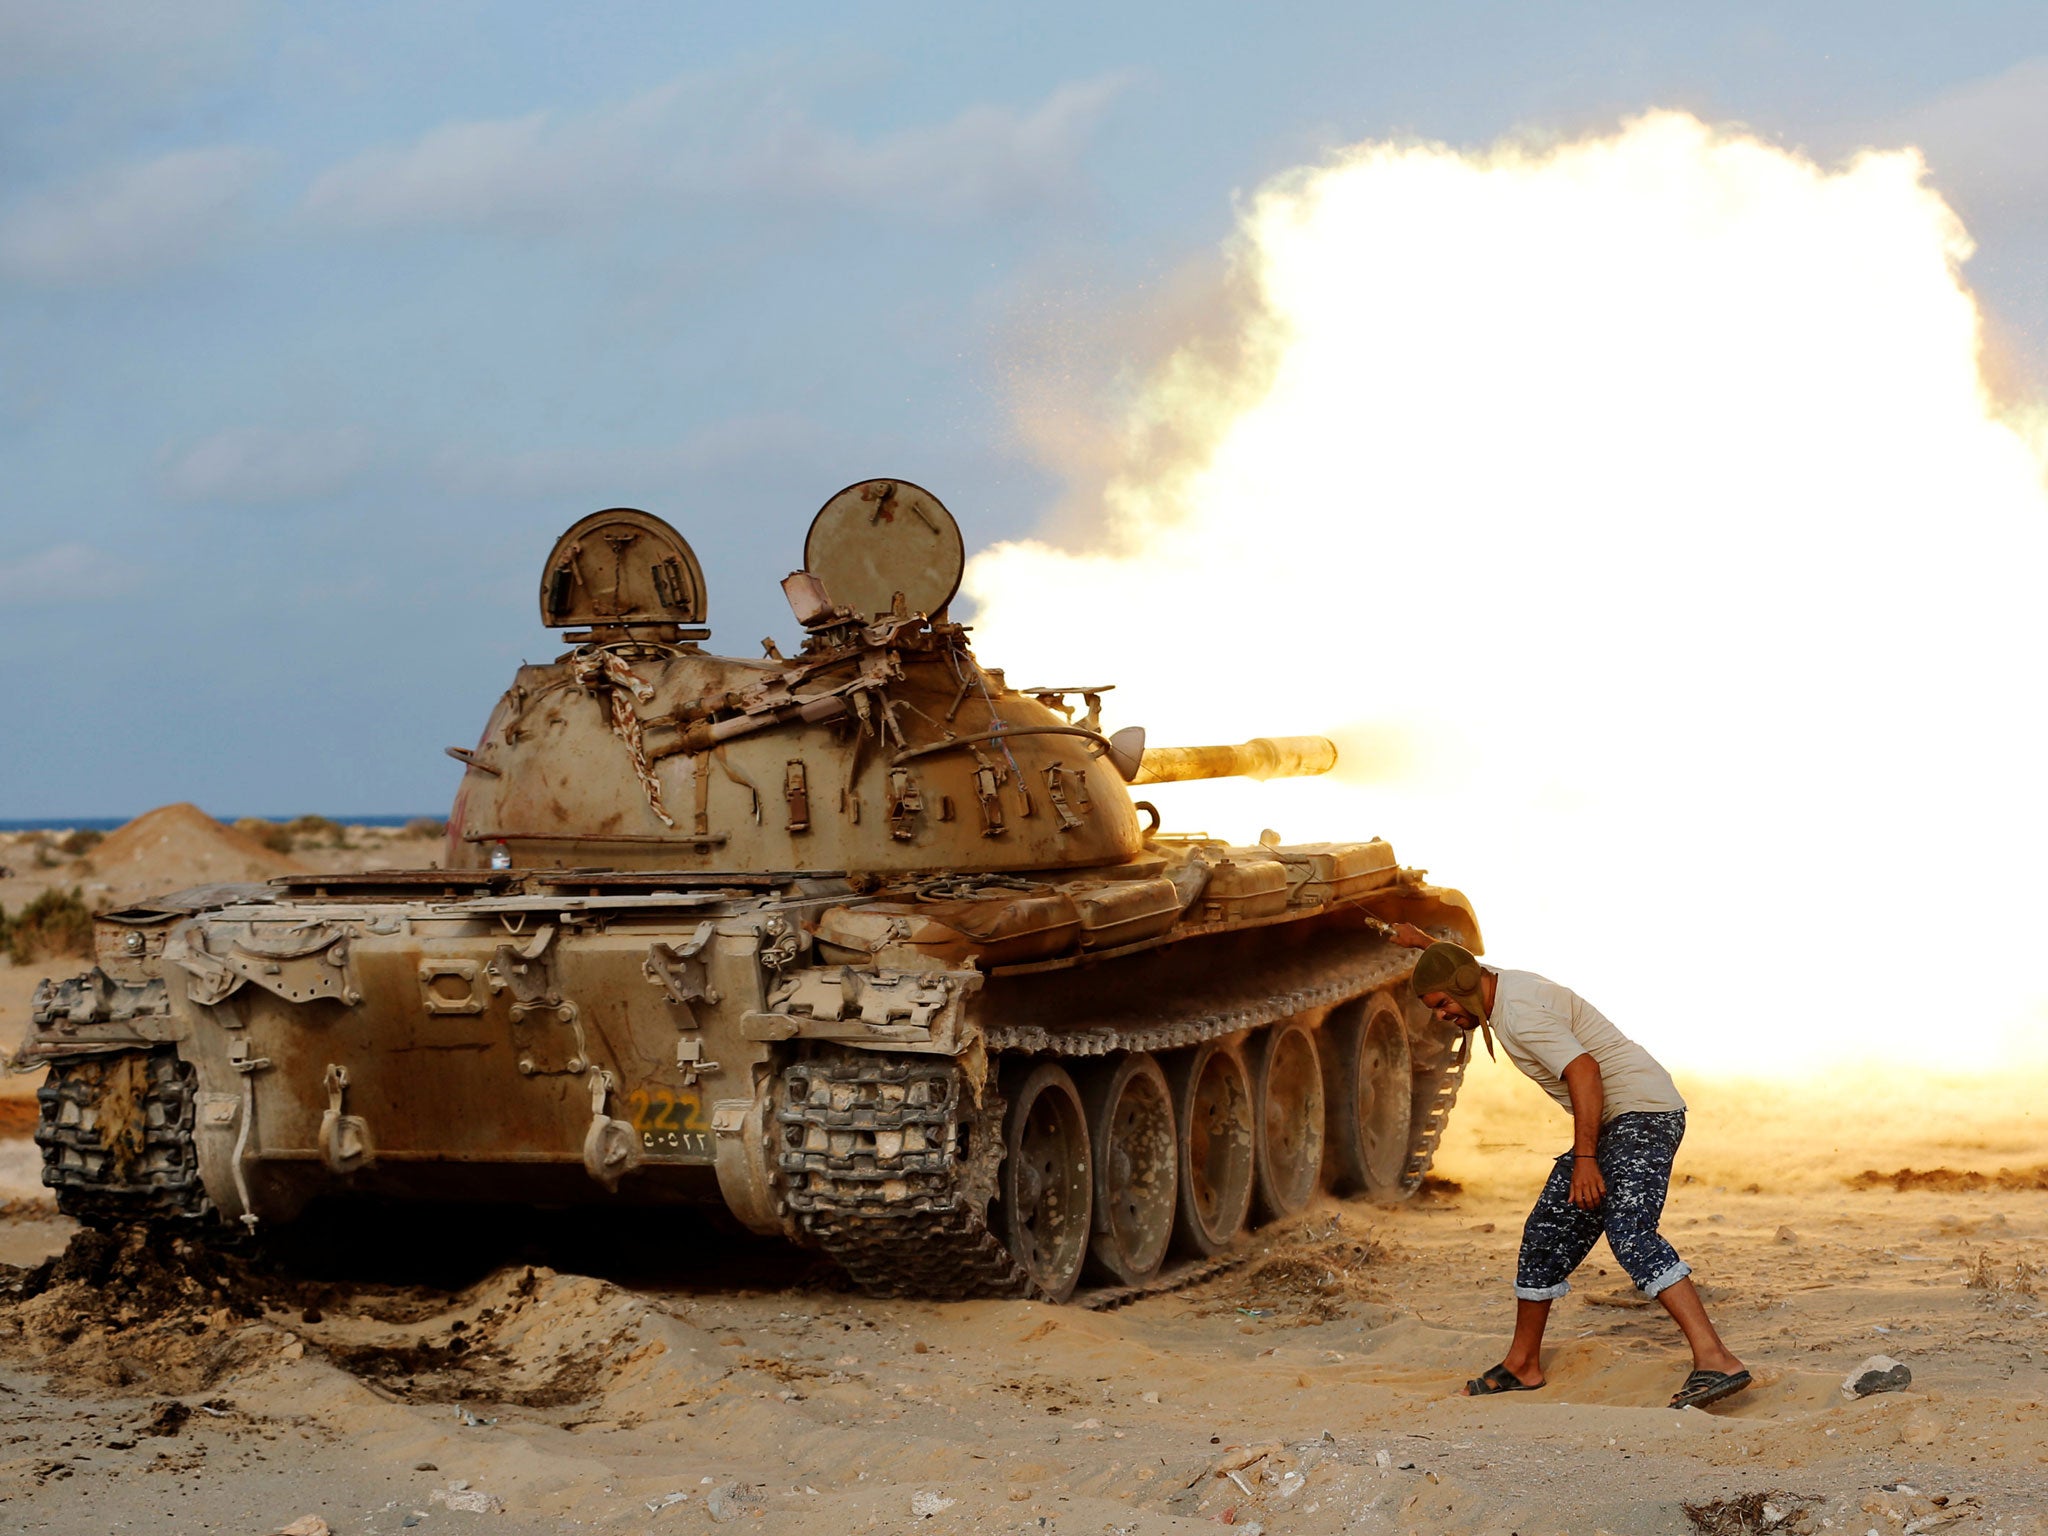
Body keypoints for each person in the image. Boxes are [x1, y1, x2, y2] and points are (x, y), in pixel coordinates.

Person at [1386, 925, 1750, 1410]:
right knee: (1545, 1235)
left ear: (1463, 989)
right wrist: (1422, 941)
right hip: (1616, 1119)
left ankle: (1717, 1360)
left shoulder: (1518, 1014)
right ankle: (1523, 1365)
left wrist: (1585, 1159)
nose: (1441, 1015)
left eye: (1441, 1004)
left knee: (1631, 1232)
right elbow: (1459, 962)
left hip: (1644, 1112)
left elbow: (1584, 1070)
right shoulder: (1490, 981)